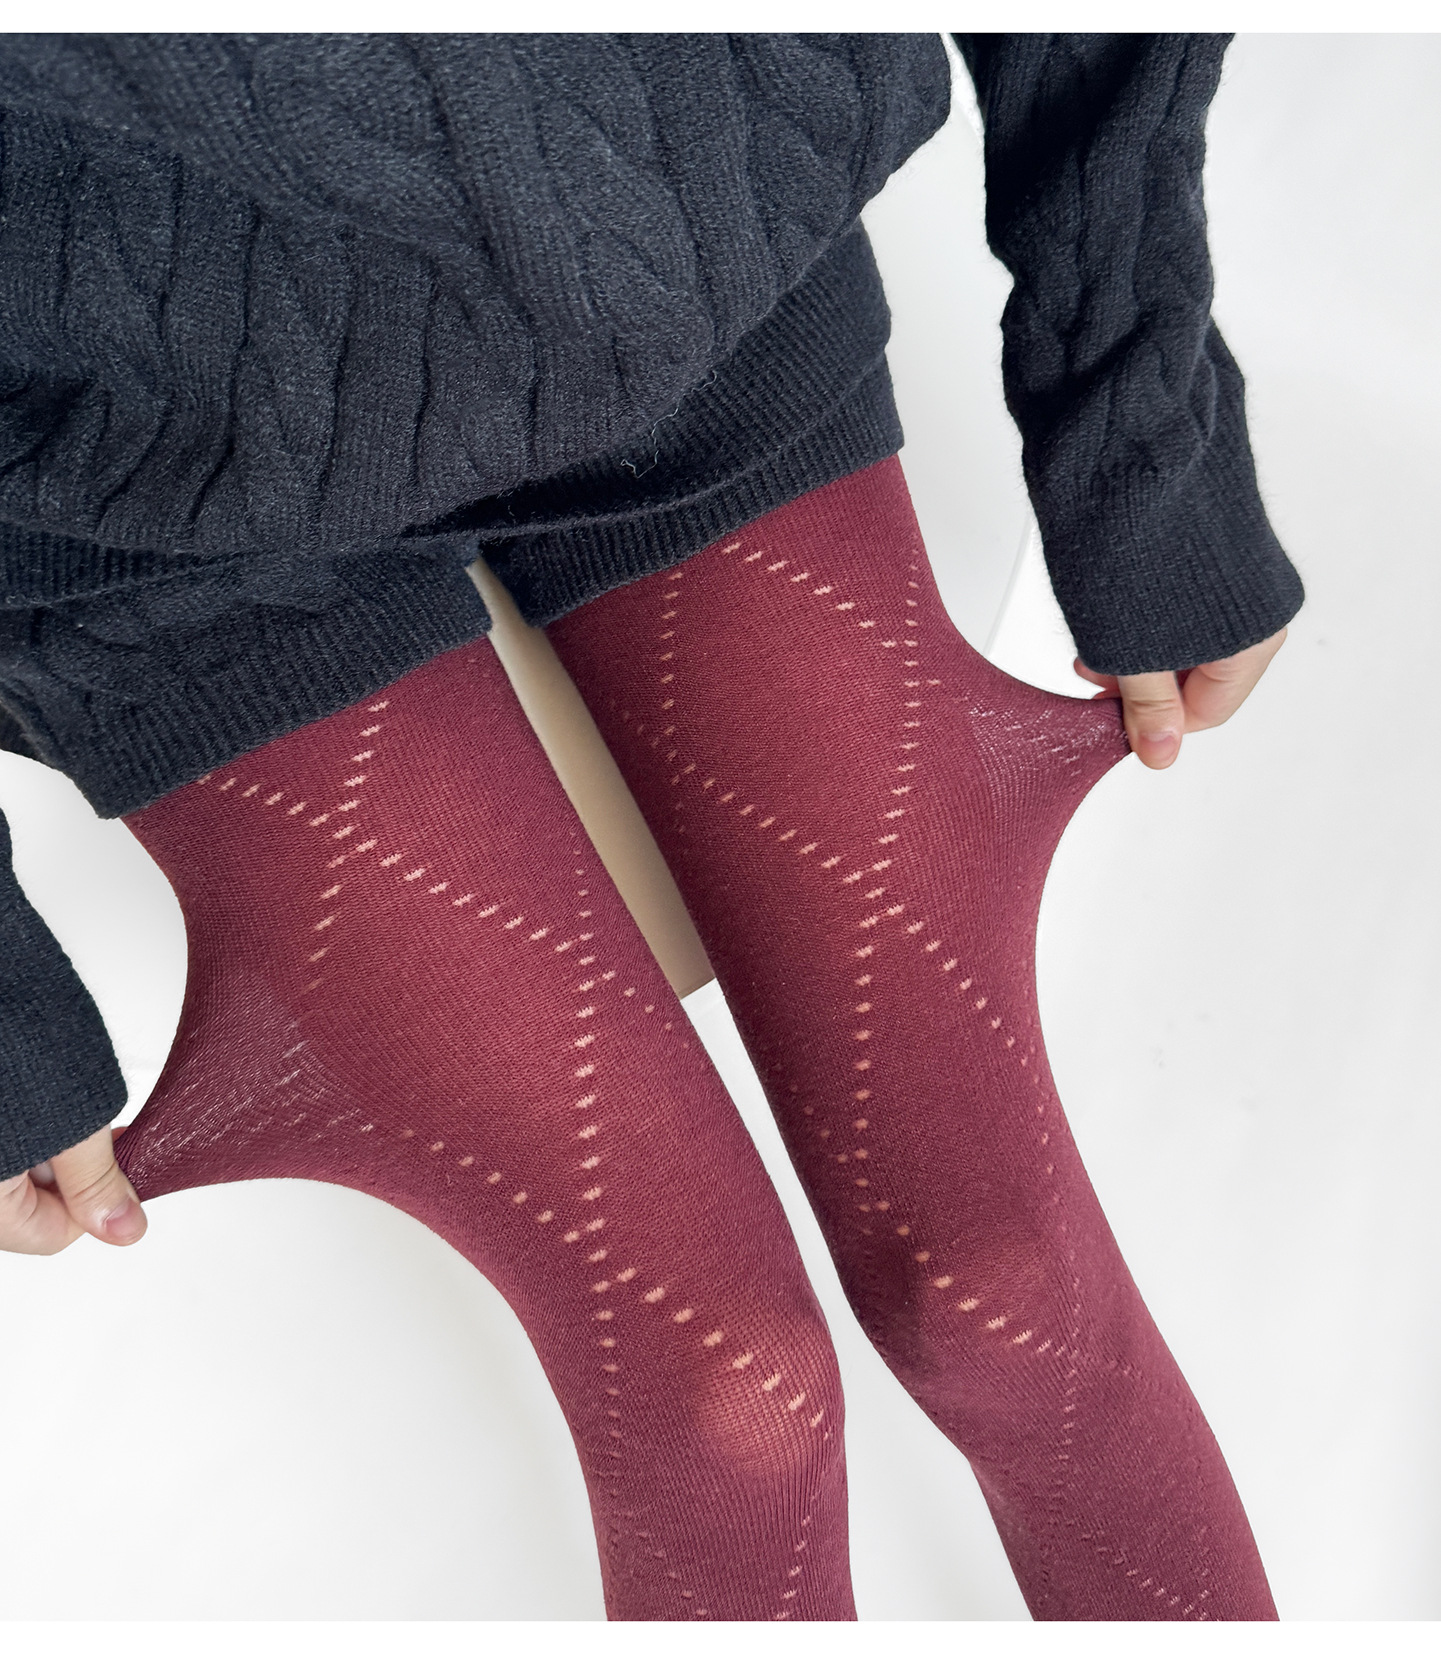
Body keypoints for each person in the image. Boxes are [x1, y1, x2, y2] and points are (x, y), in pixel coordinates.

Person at [0, 34, 1300, 1619]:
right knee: (726, 1408)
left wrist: (1140, 430)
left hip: (679, 250)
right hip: (123, 496)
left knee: (999, 1295)